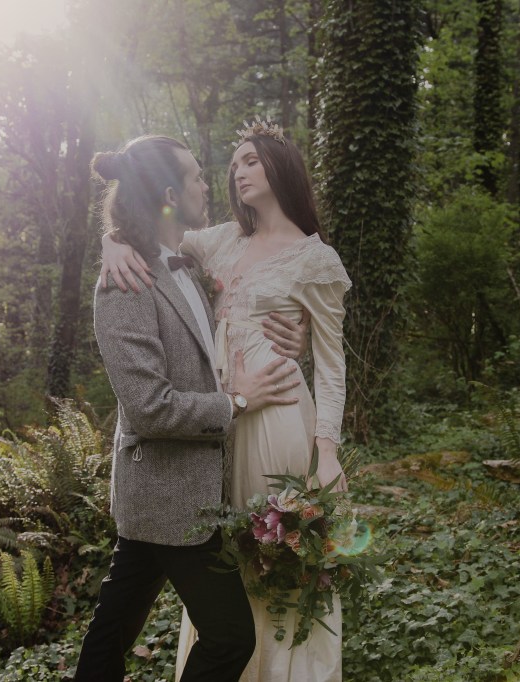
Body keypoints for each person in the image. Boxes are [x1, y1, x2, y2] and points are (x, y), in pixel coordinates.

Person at [100, 121, 351, 682]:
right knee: (229, 566)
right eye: (234, 163)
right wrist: (110, 241)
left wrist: (328, 450)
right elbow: (147, 224)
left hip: (279, 422)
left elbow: (333, 366)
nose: (237, 172)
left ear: (282, 168)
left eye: (251, 161)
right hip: (220, 426)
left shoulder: (317, 260)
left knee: (280, 558)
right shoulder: (218, 241)